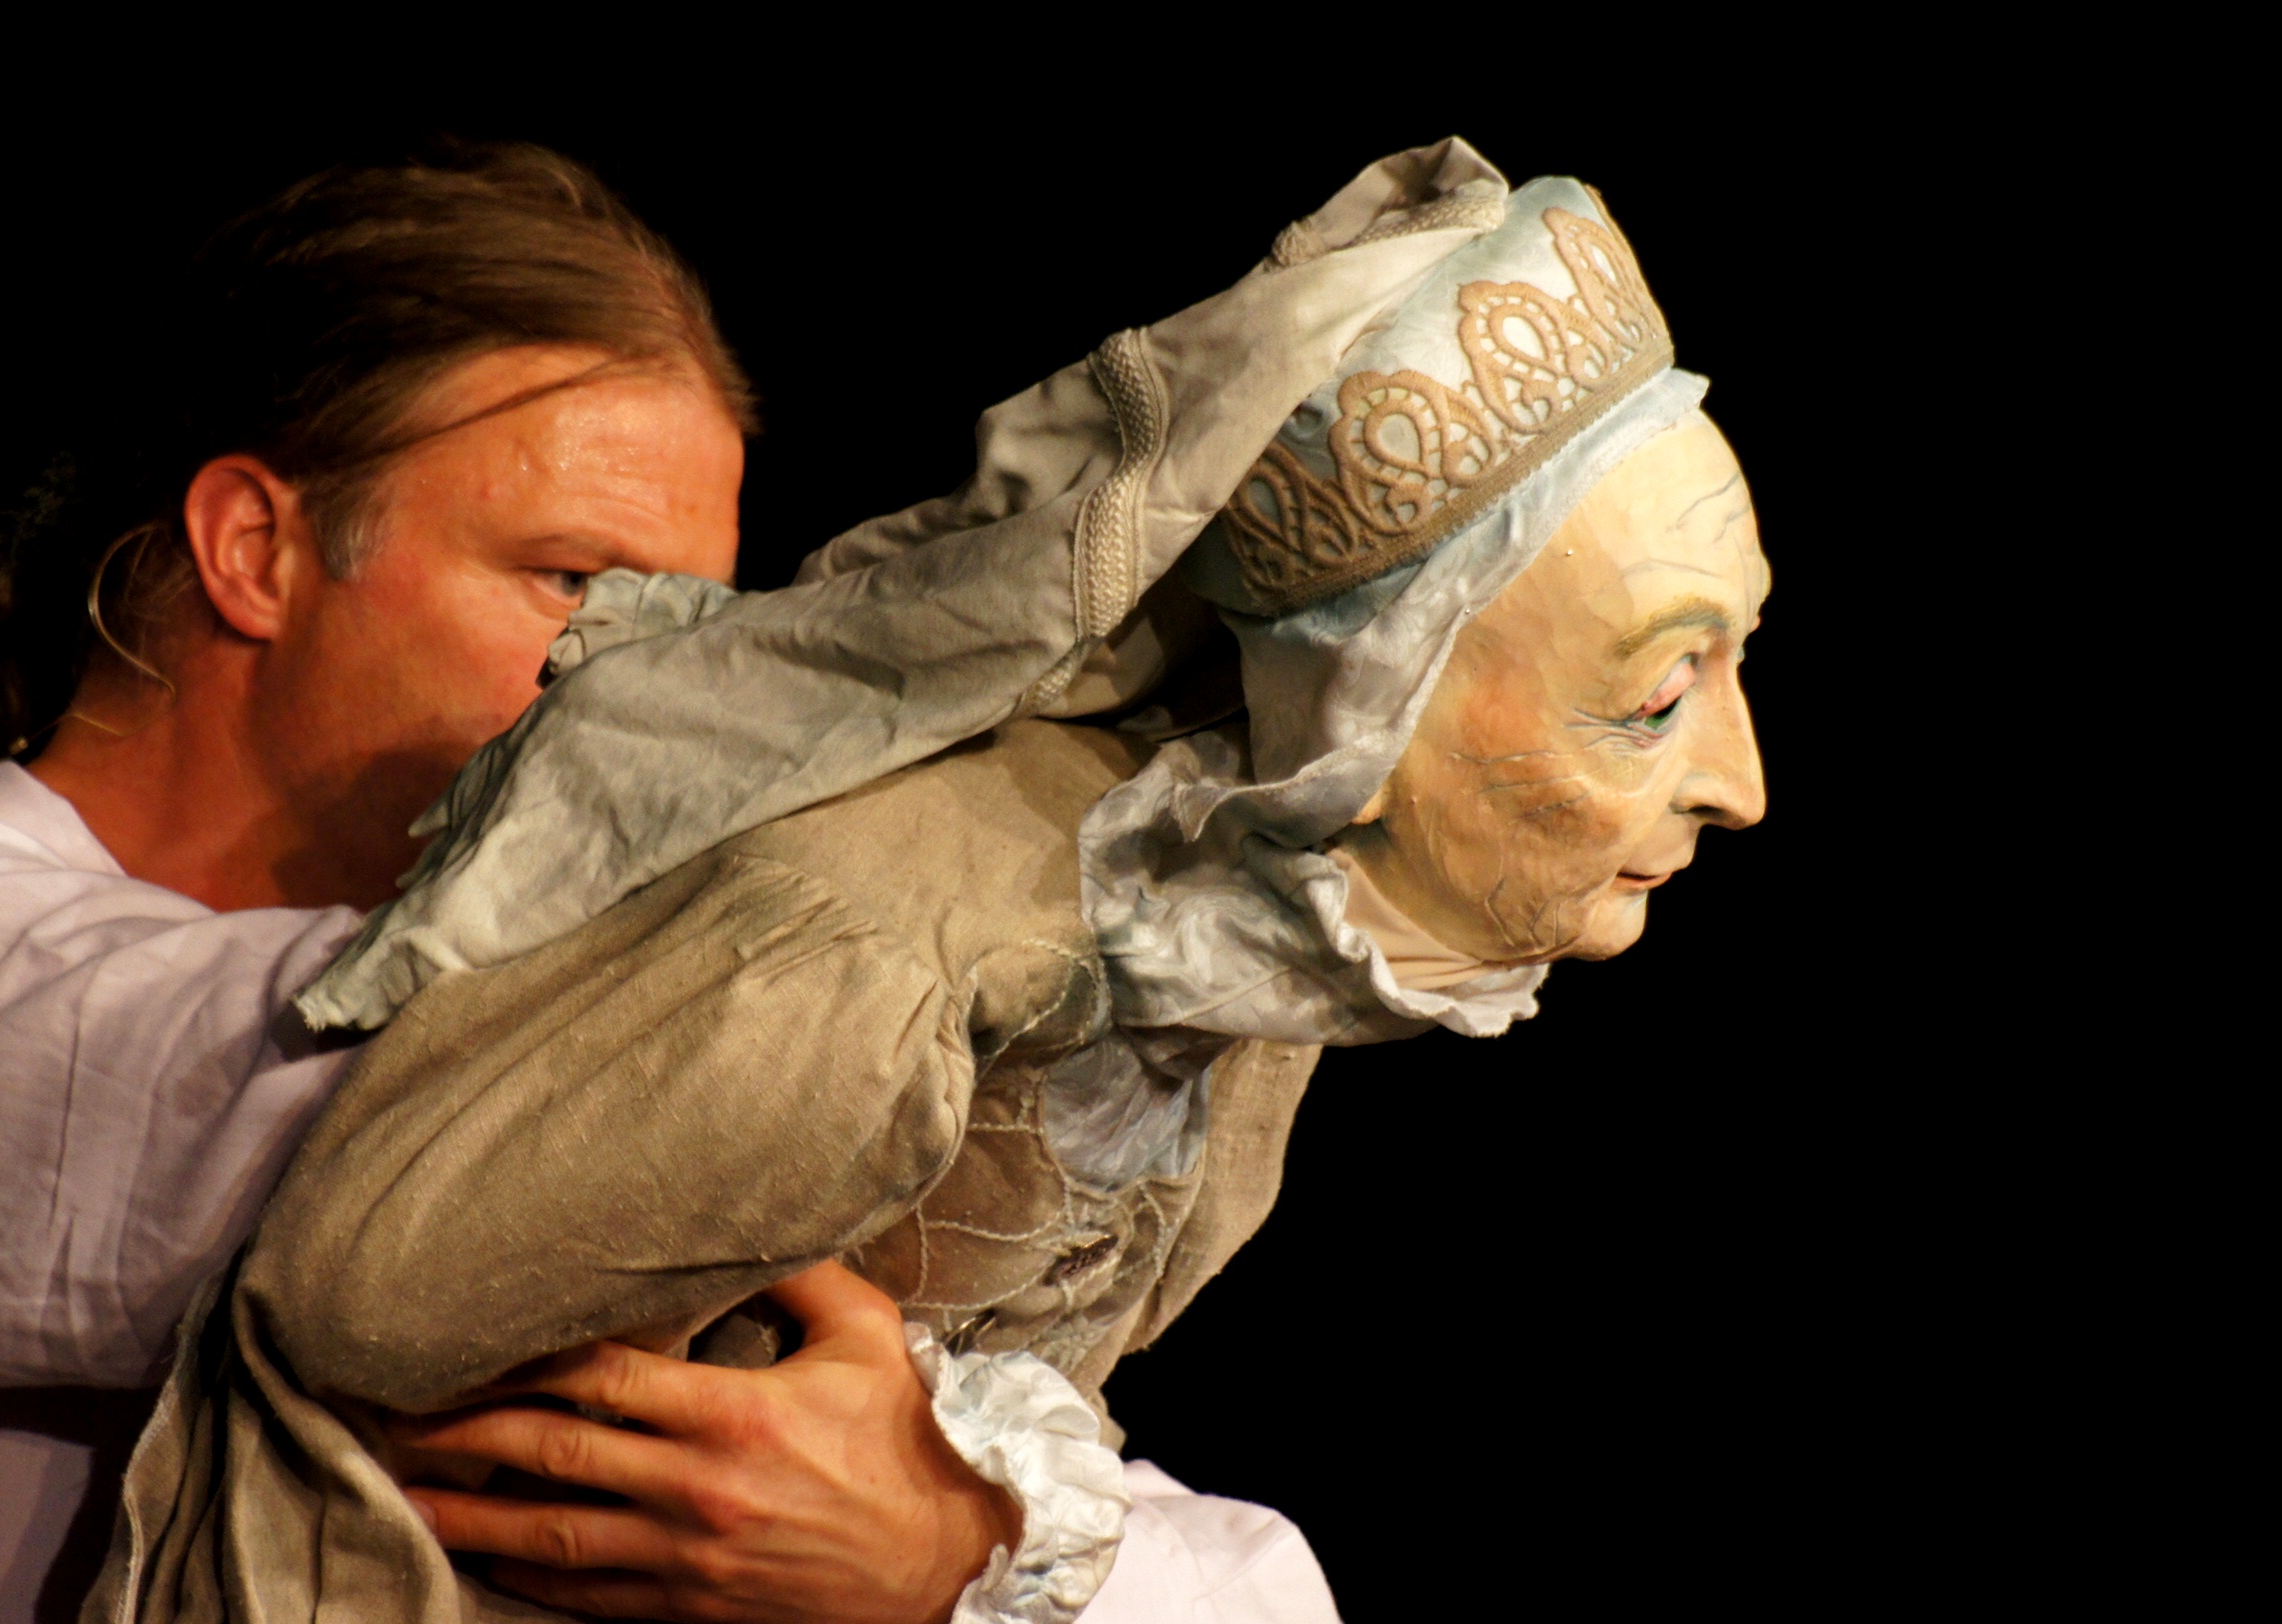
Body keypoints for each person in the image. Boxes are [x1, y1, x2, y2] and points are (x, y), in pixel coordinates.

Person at [88, 160, 1766, 1623]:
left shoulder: (1233, 983)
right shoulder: (868, 965)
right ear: (1371, 708)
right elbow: (351, 1298)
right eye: (1654, 692)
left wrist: (976, 1532)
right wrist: (969, 1524)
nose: (1741, 782)